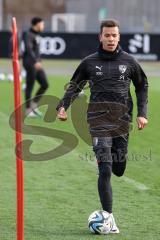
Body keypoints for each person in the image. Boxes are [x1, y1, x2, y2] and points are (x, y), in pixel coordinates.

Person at [56, 19, 148, 233]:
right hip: (98, 121)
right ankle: (109, 217)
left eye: (114, 35)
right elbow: (74, 85)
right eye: (107, 35)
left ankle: (119, 162)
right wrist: (62, 107)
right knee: (105, 169)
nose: (111, 39)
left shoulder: (130, 62)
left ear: (119, 37)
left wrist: (142, 114)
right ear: (100, 37)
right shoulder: (89, 62)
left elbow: (142, 87)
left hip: (122, 121)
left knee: (118, 168)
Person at [22, 17, 49, 117]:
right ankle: (28, 110)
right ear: (37, 24)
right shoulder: (29, 34)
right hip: (30, 63)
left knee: (45, 84)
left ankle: (33, 106)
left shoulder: (36, 35)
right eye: (42, 24)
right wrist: (35, 61)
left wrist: (38, 60)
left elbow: (35, 50)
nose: (43, 26)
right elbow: (28, 49)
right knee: (30, 86)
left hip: (36, 63)